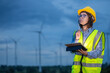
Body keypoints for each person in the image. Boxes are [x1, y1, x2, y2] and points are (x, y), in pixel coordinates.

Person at [71, 6, 105, 73]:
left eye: (84, 15)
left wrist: (87, 53)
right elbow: (72, 51)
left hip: (91, 71)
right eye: (80, 15)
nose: (81, 17)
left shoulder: (99, 34)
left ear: (91, 18)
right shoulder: (76, 33)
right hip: (76, 71)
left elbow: (98, 52)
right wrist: (76, 39)